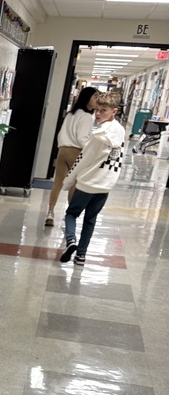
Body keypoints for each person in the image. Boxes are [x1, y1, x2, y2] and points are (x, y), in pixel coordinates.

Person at [59, 90, 125, 266]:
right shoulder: (120, 132)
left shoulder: (97, 136)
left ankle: (71, 240)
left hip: (87, 183)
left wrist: (68, 181)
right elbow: (117, 161)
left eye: (103, 110)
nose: (97, 114)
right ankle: (81, 256)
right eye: (97, 110)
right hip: (104, 186)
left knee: (71, 213)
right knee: (90, 220)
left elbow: (82, 161)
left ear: (114, 111)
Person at [45, 86, 99, 226]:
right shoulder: (87, 117)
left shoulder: (70, 114)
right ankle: (70, 216)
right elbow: (82, 139)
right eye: (95, 97)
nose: (97, 100)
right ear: (87, 99)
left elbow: (61, 133)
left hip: (62, 150)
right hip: (76, 152)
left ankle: (50, 212)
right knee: (74, 184)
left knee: (58, 183)